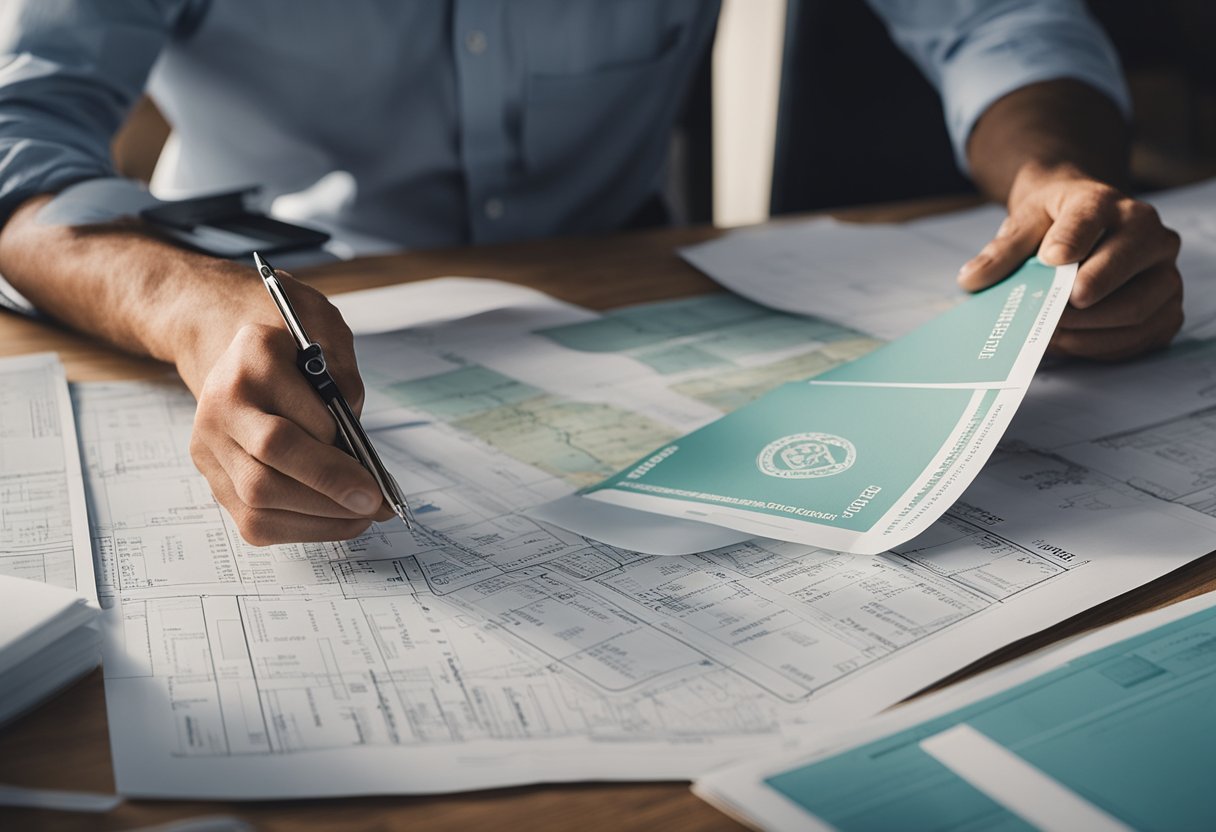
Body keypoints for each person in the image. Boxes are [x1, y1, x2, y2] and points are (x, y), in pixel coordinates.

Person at [0, 1, 1183, 545]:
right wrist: (189, 307)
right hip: (260, 308)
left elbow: (995, 19)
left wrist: (1054, 176)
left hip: (630, 282)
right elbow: (18, 140)